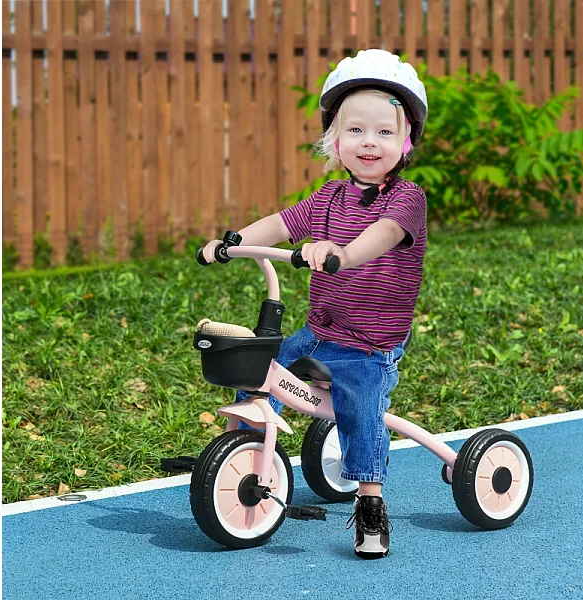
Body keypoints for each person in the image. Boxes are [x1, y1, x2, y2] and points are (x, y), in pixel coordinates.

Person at [201, 49, 428, 559]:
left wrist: (341, 254)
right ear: (336, 140)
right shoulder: (327, 198)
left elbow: (383, 235)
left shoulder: (406, 199)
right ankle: (245, 447)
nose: (369, 142)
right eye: (356, 131)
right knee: (262, 369)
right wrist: (233, 241)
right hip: (323, 330)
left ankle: (370, 504)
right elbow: (283, 224)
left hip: (372, 343)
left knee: (359, 406)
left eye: (384, 132)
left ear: (406, 141)